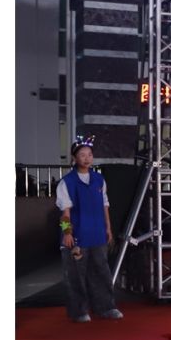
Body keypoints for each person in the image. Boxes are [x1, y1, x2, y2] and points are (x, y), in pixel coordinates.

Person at [55, 135, 125, 323]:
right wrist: (67, 232)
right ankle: (79, 311)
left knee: (101, 272)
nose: (87, 158)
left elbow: (105, 206)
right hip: (77, 236)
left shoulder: (99, 180)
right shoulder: (67, 182)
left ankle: (106, 307)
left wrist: (108, 228)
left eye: (89, 155)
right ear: (74, 158)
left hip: (97, 233)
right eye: (82, 155)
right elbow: (64, 213)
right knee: (75, 275)